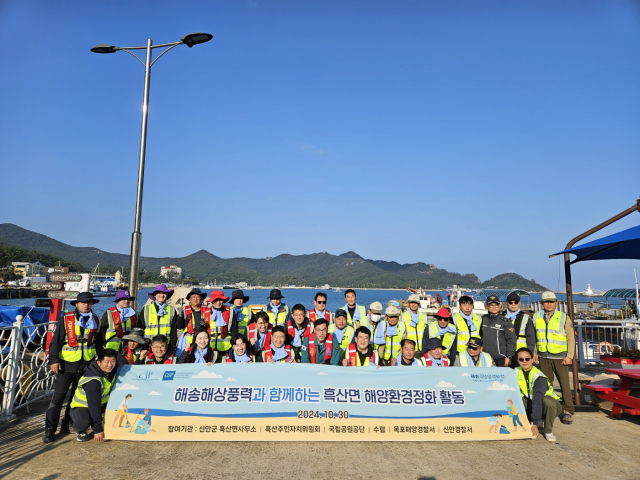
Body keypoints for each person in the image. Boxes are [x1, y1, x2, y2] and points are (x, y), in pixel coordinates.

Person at [44, 291, 100, 444]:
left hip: (85, 366)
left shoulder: (95, 319)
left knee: (75, 400)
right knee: (58, 399)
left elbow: (98, 342)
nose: (86, 304)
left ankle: (66, 425)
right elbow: (55, 342)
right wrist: (53, 361)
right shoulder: (66, 319)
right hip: (66, 366)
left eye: (89, 302)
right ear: (76, 304)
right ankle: (50, 430)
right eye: (83, 302)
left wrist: (100, 361)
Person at [533, 291, 575, 425]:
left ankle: (567, 410)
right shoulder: (536, 316)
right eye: (546, 301)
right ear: (541, 303)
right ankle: (548, 409)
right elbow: (534, 337)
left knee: (564, 385)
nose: (549, 304)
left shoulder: (563, 317)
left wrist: (569, 356)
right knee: (546, 385)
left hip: (560, 357)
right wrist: (534, 352)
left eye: (551, 301)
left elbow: (570, 338)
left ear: (556, 303)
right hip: (543, 355)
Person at [68, 348, 117, 442]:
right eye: (106, 362)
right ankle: (79, 428)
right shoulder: (93, 380)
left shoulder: (109, 372)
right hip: (82, 406)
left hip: (102, 403)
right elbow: (94, 405)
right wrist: (97, 429)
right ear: (98, 363)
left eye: (113, 361)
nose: (110, 365)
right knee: (84, 421)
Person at [515, 347, 563, 442]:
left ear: (532, 359)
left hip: (550, 406)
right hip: (532, 402)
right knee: (514, 400)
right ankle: (536, 419)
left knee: (547, 401)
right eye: (521, 359)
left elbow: (537, 401)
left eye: (527, 359)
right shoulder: (515, 371)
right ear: (517, 360)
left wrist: (535, 424)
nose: (524, 361)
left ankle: (548, 430)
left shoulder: (538, 377)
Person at [138, 284, 185, 348]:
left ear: (167, 295)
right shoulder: (146, 309)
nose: (162, 295)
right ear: (155, 295)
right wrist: (142, 346)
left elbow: (174, 330)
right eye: (159, 293)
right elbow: (140, 328)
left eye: (164, 293)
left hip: (165, 345)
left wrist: (172, 346)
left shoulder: (171, 309)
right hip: (149, 345)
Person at [96, 289, 137, 356]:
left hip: (129, 349)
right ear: (117, 301)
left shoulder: (134, 314)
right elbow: (102, 330)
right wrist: (102, 345)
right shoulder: (109, 313)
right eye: (123, 299)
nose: (126, 301)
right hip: (112, 348)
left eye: (128, 299)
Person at [480, 295, 517, 367]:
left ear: (500, 305)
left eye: (496, 305)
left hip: (500, 358)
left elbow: (511, 341)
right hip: (484, 357)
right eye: (491, 305)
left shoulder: (505, 322)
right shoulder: (482, 319)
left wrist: (509, 356)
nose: (494, 307)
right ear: (486, 306)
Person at [505, 292, 536, 365]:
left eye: (515, 302)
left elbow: (531, 338)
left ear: (519, 303)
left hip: (521, 354)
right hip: (505, 353)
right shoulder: (502, 317)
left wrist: (530, 354)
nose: (513, 304)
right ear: (507, 303)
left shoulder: (526, 318)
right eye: (511, 302)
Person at [178, 288, 209, 356]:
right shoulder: (184, 311)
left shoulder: (207, 310)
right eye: (193, 297)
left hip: (202, 341)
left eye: (198, 297)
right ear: (189, 299)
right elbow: (179, 326)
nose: (195, 299)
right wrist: (180, 316)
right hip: (189, 340)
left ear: (201, 299)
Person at [207, 290, 236, 363]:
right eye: (216, 300)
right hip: (211, 347)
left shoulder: (230, 312)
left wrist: (234, 346)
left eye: (220, 300)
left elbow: (234, 330)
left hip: (227, 347)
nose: (218, 302)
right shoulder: (206, 313)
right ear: (212, 301)